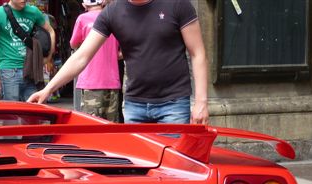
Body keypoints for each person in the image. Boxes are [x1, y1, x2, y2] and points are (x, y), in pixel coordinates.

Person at [28, 0, 208, 125]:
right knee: (141, 172)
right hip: (135, 105)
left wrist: (201, 102)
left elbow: (198, 53)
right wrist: (48, 89)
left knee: (174, 171)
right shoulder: (113, 12)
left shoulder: (177, 4)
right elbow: (81, 56)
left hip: (173, 104)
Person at [0, 0, 55, 101]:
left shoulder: (34, 12)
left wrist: (49, 56)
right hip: (9, 70)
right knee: (12, 112)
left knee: (33, 111)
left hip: (31, 70)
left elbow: (51, 31)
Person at [69, 0, 121, 121]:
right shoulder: (113, 17)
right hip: (112, 81)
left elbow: (73, 43)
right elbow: (123, 48)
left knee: (91, 124)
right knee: (111, 125)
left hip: (91, 81)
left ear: (84, 5)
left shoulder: (82, 18)